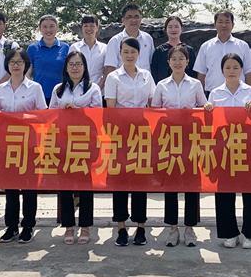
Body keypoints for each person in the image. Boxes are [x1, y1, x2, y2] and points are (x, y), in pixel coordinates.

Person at [152, 44, 207, 247]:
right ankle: (173, 228)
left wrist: (194, 111)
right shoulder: (161, 85)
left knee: (191, 183)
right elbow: (154, 111)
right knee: (171, 184)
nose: (177, 62)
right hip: (169, 139)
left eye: (181, 59)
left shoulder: (195, 84)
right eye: (174, 59)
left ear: (187, 62)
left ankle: (190, 228)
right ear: (168, 62)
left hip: (190, 138)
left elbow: (204, 107)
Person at [204, 53, 251, 249]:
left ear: (241, 70)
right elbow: (210, 123)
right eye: (228, 67)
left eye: (235, 67)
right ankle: (229, 233)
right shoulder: (215, 93)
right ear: (222, 70)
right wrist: (208, 110)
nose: (232, 71)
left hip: (246, 143)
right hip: (224, 145)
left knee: (249, 190)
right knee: (224, 190)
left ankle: (250, 234)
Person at [104, 37, 156, 246]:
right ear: (120, 53)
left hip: (142, 132)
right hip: (120, 132)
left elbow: (153, 103)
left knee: (140, 180)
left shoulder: (146, 76)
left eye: (133, 52)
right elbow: (110, 107)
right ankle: (121, 227)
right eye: (125, 52)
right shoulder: (113, 77)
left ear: (139, 54)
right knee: (120, 180)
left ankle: (141, 226)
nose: (129, 55)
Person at [50, 51, 103, 245]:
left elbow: (98, 113)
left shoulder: (92, 88)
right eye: (71, 64)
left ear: (84, 67)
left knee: (85, 185)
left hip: (85, 143)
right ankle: (69, 226)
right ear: (66, 67)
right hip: (64, 143)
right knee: (65, 186)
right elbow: (50, 114)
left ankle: (85, 226)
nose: (75, 67)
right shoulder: (58, 90)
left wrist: (78, 111)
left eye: (79, 64)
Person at [0, 46, 47, 244]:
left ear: (26, 65)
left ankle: (28, 225)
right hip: (8, 144)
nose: (16, 65)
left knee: (28, 187)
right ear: (7, 65)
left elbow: (43, 115)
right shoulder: (1, 89)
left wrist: (25, 120)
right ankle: (11, 226)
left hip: (29, 144)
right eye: (12, 62)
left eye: (20, 62)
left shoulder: (35, 88)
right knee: (10, 188)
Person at [193, 10, 251, 95]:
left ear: (233, 25)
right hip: (212, 94)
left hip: (239, 94)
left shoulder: (243, 46)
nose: (224, 25)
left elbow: (249, 72)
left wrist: (249, 94)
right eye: (220, 22)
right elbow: (201, 73)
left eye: (227, 22)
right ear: (215, 25)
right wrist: (201, 96)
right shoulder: (206, 47)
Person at [26, 15, 70, 105]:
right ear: (40, 29)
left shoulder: (66, 47)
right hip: (39, 95)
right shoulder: (32, 48)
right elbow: (27, 73)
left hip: (61, 94)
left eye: (52, 26)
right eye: (45, 27)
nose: (48, 30)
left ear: (57, 28)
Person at [103, 3, 155, 76]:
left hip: (145, 81)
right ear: (123, 20)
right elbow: (110, 68)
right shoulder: (115, 41)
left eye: (136, 17)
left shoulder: (148, 38)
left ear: (141, 19)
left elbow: (152, 63)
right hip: (123, 82)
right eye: (129, 17)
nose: (133, 20)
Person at [150, 15, 197, 84]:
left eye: (176, 27)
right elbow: (154, 73)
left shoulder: (189, 50)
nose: (173, 29)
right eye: (170, 27)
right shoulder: (159, 51)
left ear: (181, 29)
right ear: (165, 29)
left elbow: (193, 74)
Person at [70, 14, 108, 90]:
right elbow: (70, 69)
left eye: (92, 26)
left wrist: (98, 88)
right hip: (78, 90)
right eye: (86, 26)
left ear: (97, 28)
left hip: (99, 90)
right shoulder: (74, 47)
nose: (89, 28)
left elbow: (106, 71)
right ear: (82, 28)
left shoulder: (105, 48)